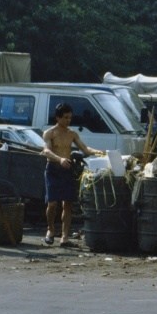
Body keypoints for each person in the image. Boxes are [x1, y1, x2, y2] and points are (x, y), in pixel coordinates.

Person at [43, 103, 103, 247]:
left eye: (70, 118)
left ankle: (64, 237)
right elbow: (46, 151)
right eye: (65, 118)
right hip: (53, 168)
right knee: (52, 203)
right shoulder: (50, 133)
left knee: (68, 203)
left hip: (67, 170)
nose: (68, 120)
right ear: (58, 118)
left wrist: (100, 152)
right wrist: (60, 159)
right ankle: (50, 230)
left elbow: (85, 149)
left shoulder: (72, 134)